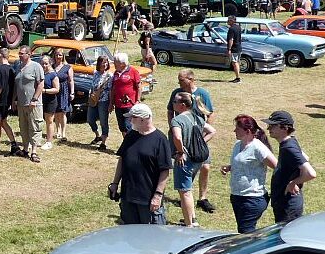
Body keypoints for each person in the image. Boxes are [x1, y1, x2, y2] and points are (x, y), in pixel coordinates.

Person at [107, 103, 171, 225]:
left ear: (143, 118)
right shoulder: (131, 135)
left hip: (148, 200)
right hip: (128, 197)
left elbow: (165, 171)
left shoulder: (160, 140)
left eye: (133, 117)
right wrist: (115, 183)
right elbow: (122, 160)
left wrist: (158, 195)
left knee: (151, 239)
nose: (130, 120)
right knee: (130, 235)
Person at [167, 69, 216, 215]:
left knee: (205, 167)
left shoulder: (202, 94)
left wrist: (203, 135)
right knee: (186, 165)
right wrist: (173, 126)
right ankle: (186, 194)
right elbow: (170, 111)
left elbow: (210, 113)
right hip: (182, 135)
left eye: (181, 80)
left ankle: (202, 198)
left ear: (191, 79)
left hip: (198, 138)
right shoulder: (177, 93)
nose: (179, 83)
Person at [220, 115, 277, 233]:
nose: (234, 131)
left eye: (237, 128)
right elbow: (244, 163)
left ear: (248, 131)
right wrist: (230, 167)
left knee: (245, 234)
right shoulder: (238, 145)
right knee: (244, 232)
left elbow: (277, 166)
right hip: (237, 196)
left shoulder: (258, 148)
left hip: (252, 199)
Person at [264, 110, 317, 223]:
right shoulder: (290, 142)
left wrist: (293, 182)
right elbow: (305, 158)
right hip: (285, 203)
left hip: (288, 206)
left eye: (273, 126)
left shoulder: (288, 148)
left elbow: (311, 173)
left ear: (284, 128)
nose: (269, 129)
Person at [13, 45, 44, 163]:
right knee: (23, 127)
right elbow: (17, 86)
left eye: (22, 53)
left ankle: (34, 151)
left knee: (34, 127)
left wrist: (34, 99)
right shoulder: (18, 67)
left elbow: (41, 84)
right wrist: (14, 100)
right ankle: (25, 150)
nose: (19, 55)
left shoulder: (36, 67)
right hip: (21, 104)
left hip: (33, 105)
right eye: (19, 53)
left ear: (29, 54)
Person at [108, 52, 140, 137]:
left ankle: (130, 146)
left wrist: (137, 100)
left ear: (122, 64)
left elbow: (139, 87)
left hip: (129, 104)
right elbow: (113, 88)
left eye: (115, 62)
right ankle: (126, 144)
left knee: (127, 125)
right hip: (118, 104)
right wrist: (111, 103)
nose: (114, 63)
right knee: (122, 126)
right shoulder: (115, 73)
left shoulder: (133, 72)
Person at [87, 56, 112, 151]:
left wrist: (111, 103)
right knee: (90, 119)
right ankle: (97, 135)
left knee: (103, 121)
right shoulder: (95, 73)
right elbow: (92, 85)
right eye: (103, 62)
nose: (105, 64)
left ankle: (103, 142)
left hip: (104, 101)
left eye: (106, 62)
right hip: (93, 100)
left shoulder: (109, 75)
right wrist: (91, 94)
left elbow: (110, 90)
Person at [51, 49, 75, 142]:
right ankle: (58, 131)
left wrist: (72, 92)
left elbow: (71, 80)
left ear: (63, 56)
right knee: (56, 113)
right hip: (54, 91)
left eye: (60, 55)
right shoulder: (52, 67)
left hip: (64, 91)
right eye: (57, 55)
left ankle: (64, 132)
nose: (58, 57)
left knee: (63, 112)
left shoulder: (67, 67)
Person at [39, 55, 60, 150]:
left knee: (49, 121)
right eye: (42, 63)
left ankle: (49, 142)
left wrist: (44, 91)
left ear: (50, 63)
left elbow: (57, 89)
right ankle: (37, 139)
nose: (44, 65)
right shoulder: (41, 73)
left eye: (46, 63)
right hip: (41, 100)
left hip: (50, 101)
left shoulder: (53, 74)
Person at [225, 15, 242, 82]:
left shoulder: (231, 29)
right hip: (239, 47)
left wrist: (229, 49)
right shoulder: (238, 27)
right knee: (236, 62)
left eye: (229, 20)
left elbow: (231, 39)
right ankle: (237, 77)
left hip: (234, 48)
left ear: (232, 21)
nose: (227, 21)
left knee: (235, 63)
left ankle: (238, 78)